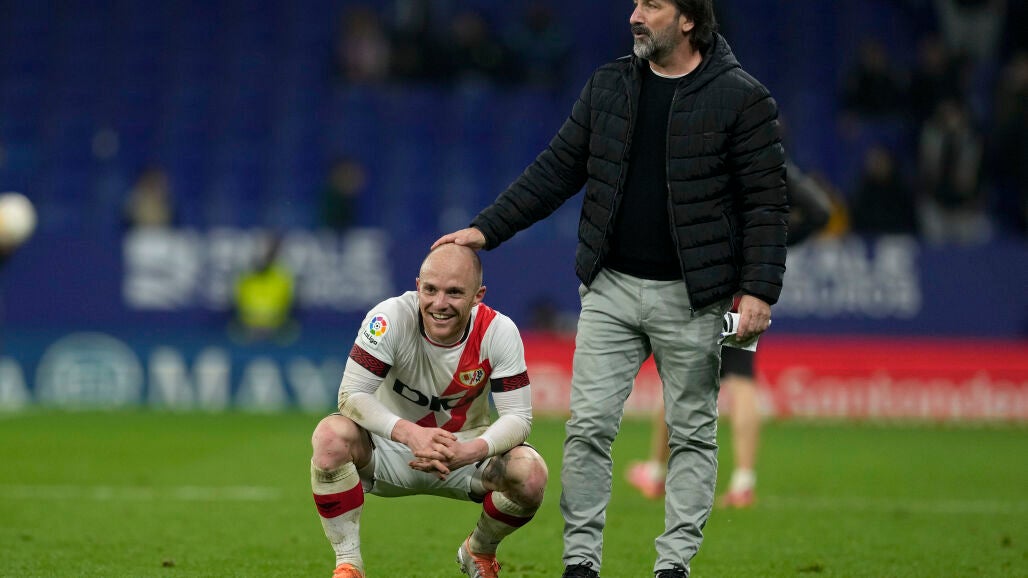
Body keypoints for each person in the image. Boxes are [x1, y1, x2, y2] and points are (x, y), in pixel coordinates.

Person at [433, 2, 788, 576]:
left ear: (689, 19)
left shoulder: (743, 98)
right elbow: (557, 169)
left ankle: (673, 566)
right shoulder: (609, 85)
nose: (635, 15)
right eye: (636, 3)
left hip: (694, 297)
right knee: (589, 430)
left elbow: (765, 204)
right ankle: (581, 564)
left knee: (692, 436)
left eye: (652, 4)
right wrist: (487, 228)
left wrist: (759, 289)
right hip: (610, 290)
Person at [308, 243, 548, 578]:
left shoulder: (498, 331)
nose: (439, 303)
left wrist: (471, 451)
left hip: (463, 454)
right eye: (431, 290)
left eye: (455, 292)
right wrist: (410, 433)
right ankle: (348, 564)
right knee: (330, 436)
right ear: (418, 285)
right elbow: (351, 394)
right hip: (388, 448)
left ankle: (479, 550)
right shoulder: (389, 317)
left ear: (478, 296)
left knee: (531, 475)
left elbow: (518, 417)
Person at [627, 161, 833, 508]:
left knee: (680, 377)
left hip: (704, 285)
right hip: (745, 289)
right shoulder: (767, 160)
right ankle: (742, 480)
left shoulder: (707, 153)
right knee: (741, 376)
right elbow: (819, 212)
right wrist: (772, 245)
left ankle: (657, 472)